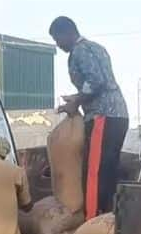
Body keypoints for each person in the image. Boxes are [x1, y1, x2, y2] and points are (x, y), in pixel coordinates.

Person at [49, 16, 129, 220]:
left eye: (57, 39)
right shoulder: (96, 47)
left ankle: (92, 220)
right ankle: (110, 217)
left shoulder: (80, 51)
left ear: (66, 33)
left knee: (94, 172)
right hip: (118, 115)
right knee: (108, 171)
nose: (58, 45)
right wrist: (77, 98)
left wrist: (77, 101)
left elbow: (96, 81)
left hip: (103, 116)